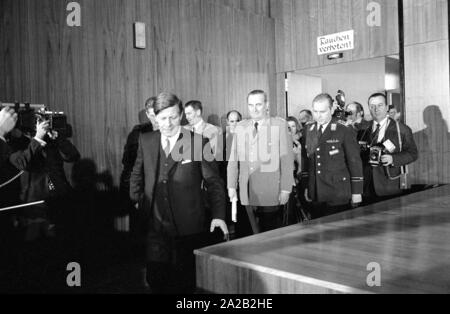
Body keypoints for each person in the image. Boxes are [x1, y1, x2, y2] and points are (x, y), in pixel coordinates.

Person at [130, 92, 228, 293]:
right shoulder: (146, 140)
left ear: (181, 114)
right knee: (156, 280)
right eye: (163, 118)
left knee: (184, 282)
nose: (168, 123)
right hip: (155, 226)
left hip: (188, 226)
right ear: (155, 117)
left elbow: (214, 182)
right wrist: (138, 199)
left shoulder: (198, 142)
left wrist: (218, 215)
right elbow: (136, 174)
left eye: (173, 117)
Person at [227, 90, 294, 234]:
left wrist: (285, 189)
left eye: (258, 104)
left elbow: (287, 161)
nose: (254, 109)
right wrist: (231, 186)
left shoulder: (279, 125)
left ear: (266, 105)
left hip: (270, 190)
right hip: (247, 190)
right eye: (251, 105)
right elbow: (233, 160)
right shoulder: (241, 127)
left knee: (270, 234)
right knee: (248, 235)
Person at [302, 93, 364, 219]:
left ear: (331, 110)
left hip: (338, 192)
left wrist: (356, 192)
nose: (318, 116)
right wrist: (307, 186)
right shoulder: (309, 129)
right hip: (316, 191)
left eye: (323, 112)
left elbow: (354, 161)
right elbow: (307, 161)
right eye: (315, 111)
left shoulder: (344, 129)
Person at [359, 93, 418, 203]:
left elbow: (413, 153)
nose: (376, 109)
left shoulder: (402, 129)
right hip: (366, 186)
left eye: (380, 105)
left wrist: (393, 159)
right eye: (372, 106)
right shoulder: (363, 129)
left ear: (386, 107)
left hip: (389, 185)